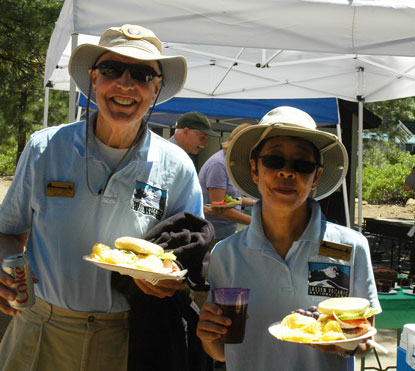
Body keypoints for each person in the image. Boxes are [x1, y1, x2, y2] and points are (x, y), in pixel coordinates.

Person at [0, 24, 206, 371]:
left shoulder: (177, 166)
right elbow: (8, 231)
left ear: (155, 90)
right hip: (41, 327)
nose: (126, 84)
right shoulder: (44, 148)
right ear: (94, 80)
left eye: (141, 75)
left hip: (127, 337)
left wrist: (169, 279)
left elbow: (188, 253)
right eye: (112, 70)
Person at [196, 106, 381, 371]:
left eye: (302, 164)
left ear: (316, 176)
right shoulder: (226, 255)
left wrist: (342, 344)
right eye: (274, 160)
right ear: (255, 169)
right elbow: (222, 352)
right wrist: (207, 334)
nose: (287, 172)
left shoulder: (350, 248)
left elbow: (365, 339)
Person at [199, 124, 254, 241]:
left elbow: (230, 199)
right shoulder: (219, 165)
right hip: (213, 236)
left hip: (227, 232)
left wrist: (255, 203)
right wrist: (257, 223)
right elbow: (220, 208)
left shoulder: (231, 164)